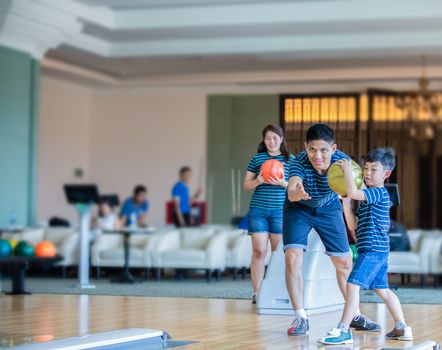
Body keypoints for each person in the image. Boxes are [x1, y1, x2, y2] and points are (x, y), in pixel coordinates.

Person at [284, 123, 380, 336]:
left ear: (334, 148)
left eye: (323, 150)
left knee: (344, 262)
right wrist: (296, 193)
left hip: (328, 209)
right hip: (298, 208)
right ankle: (300, 316)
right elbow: (291, 189)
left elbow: (362, 190)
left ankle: (354, 314)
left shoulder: (344, 163)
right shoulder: (299, 162)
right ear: (305, 147)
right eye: (312, 149)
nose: (317, 155)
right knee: (292, 255)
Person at [318, 148, 412, 345]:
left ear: (386, 174)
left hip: (373, 250)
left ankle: (343, 330)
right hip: (374, 250)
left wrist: (345, 170)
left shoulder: (379, 193)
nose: (367, 173)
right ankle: (402, 327)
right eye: (365, 168)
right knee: (383, 289)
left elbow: (353, 190)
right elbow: (352, 226)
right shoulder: (368, 197)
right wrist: (346, 203)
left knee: (352, 285)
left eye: (373, 169)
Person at [244, 124, 294, 304]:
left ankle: (278, 290)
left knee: (277, 253)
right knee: (259, 251)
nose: (271, 142)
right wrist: (258, 180)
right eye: (268, 138)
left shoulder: (291, 160)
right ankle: (256, 292)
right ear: (263, 140)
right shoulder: (257, 159)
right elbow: (246, 185)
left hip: (280, 212)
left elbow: (295, 187)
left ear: (281, 140)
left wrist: (283, 183)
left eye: (275, 138)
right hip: (258, 210)